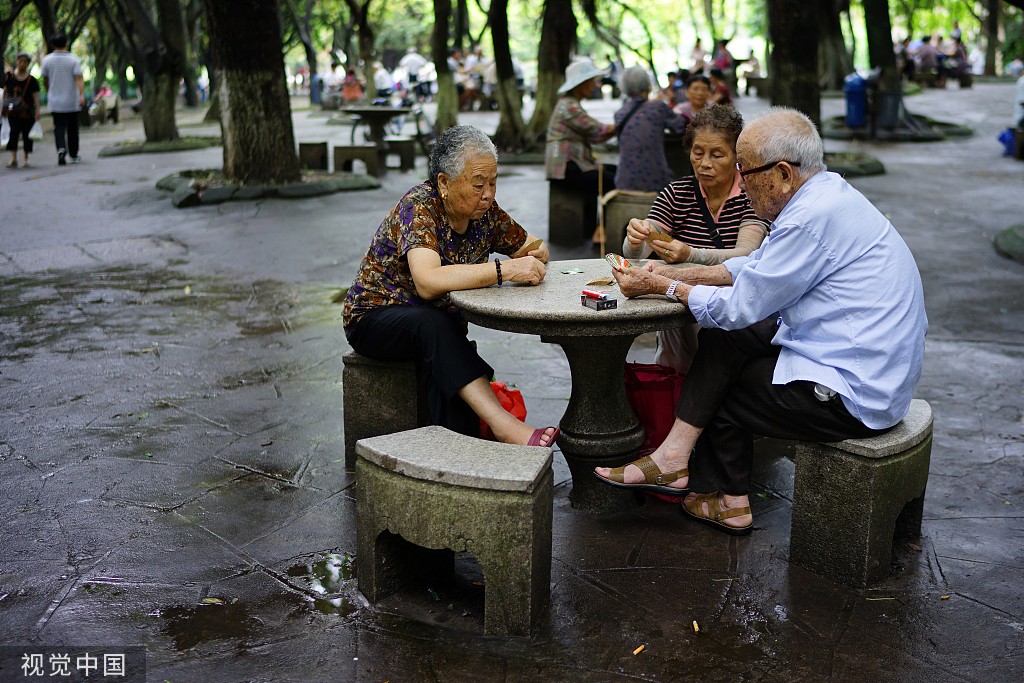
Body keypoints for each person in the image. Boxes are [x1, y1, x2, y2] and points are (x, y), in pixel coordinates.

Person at [594, 108, 928, 534]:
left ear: (783, 173)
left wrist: (666, 288)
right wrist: (672, 273)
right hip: (863, 361)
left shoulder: (809, 220)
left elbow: (739, 306)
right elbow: (755, 268)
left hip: (859, 393)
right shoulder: (825, 196)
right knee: (725, 344)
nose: (739, 179)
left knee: (722, 383)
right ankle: (682, 468)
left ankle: (719, 493)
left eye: (744, 169)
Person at [342, 125, 559, 448]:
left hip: (437, 331)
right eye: (477, 185)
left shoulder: (485, 213)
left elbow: (532, 247)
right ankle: (504, 426)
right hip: (374, 319)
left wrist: (536, 253)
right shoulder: (419, 207)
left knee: (446, 352)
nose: (487, 194)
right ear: (444, 183)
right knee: (434, 324)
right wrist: (504, 269)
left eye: (493, 183)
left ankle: (462, 457)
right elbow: (428, 282)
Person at [621, 104, 767, 373]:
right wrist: (636, 238)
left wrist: (690, 255)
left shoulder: (751, 196)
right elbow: (636, 253)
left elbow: (746, 253)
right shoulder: (677, 193)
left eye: (717, 155)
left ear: (737, 157)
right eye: (698, 153)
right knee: (674, 365)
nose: (705, 164)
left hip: (732, 309)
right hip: (680, 307)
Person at [545, 60, 617, 239]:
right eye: (592, 82)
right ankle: (600, 231)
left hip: (576, 165)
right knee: (612, 180)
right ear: (581, 84)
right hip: (567, 169)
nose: (595, 85)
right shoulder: (568, 106)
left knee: (614, 172)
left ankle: (593, 229)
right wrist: (626, 121)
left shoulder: (571, 104)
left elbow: (596, 135)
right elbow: (598, 129)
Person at [612, 65, 688, 193]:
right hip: (656, 181)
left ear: (626, 90)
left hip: (624, 182)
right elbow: (680, 125)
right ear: (648, 86)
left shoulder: (619, 114)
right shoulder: (658, 108)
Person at [40, 32, 84, 165]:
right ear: (66, 44)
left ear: (53, 45)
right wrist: (81, 95)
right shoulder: (73, 60)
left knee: (58, 127)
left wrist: (50, 92)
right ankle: (74, 154)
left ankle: (61, 149)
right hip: (72, 100)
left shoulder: (46, 60)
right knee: (72, 128)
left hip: (55, 101)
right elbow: (78, 78)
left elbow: (45, 80)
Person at [3, 51, 41, 168]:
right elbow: (5, 92)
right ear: (17, 61)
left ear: (28, 63)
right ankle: (13, 158)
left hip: (27, 111)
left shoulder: (32, 80)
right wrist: (3, 107)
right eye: (20, 60)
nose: (22, 63)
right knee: (13, 132)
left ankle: (26, 158)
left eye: (25, 61)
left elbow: (36, 95)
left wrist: (37, 110)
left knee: (27, 135)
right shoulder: (9, 77)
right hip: (13, 111)